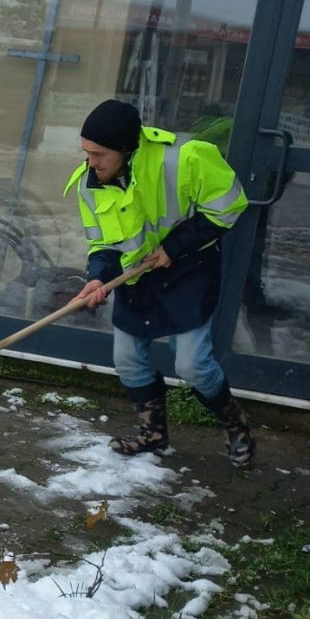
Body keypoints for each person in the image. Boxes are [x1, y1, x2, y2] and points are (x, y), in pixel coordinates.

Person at [65, 98, 254, 466]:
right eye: (86, 152)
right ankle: (152, 435)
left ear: (125, 148)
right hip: (138, 277)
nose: (91, 162)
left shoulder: (185, 158)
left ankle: (235, 425)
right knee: (127, 359)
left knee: (192, 364)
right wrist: (97, 279)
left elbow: (230, 205)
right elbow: (102, 243)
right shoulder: (88, 184)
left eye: (99, 154)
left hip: (189, 272)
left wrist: (174, 246)